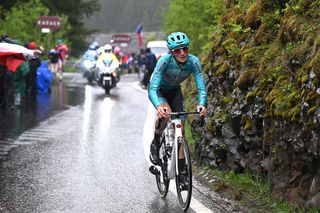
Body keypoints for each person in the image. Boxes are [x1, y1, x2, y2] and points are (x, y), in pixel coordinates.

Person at [148, 32, 208, 176]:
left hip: (175, 91)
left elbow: (201, 86)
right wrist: (158, 106)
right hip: (159, 91)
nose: (182, 53)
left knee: (181, 131)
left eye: (185, 49)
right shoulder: (164, 61)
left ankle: (181, 171)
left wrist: (201, 104)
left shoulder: (193, 62)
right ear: (172, 52)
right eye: (177, 50)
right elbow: (153, 88)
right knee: (166, 114)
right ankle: (155, 143)